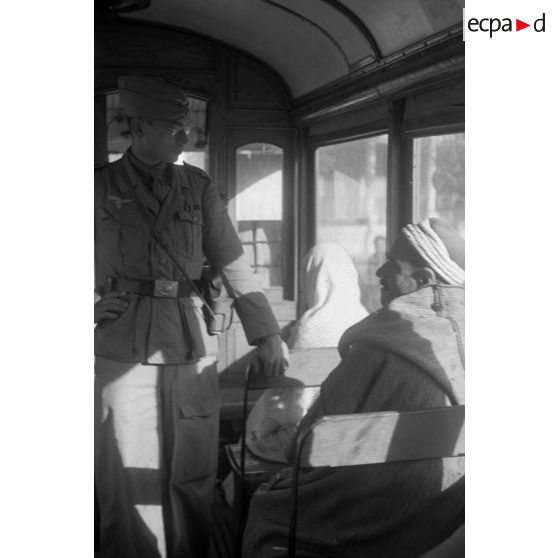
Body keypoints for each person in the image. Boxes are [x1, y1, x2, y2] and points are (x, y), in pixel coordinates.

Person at [94, 75, 288, 558]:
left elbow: (233, 262)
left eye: (187, 128)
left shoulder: (197, 188)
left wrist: (266, 332)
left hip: (189, 342)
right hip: (122, 347)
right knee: (125, 477)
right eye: (176, 128)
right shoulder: (96, 186)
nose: (187, 138)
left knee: (192, 472)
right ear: (139, 128)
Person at [242, 218, 465, 558]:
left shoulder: (377, 345)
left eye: (391, 264)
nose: (378, 272)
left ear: (423, 280)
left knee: (265, 507)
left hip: (369, 514)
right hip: (448, 514)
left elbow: (304, 447)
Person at [245, 242, 368, 463]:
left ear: (313, 279)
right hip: (356, 434)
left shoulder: (309, 327)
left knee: (256, 427)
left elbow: (290, 405)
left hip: (307, 438)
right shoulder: (365, 320)